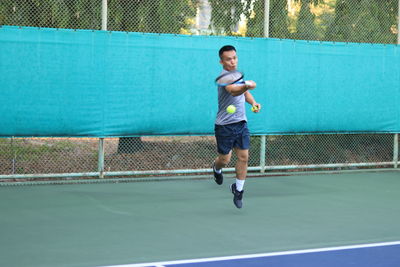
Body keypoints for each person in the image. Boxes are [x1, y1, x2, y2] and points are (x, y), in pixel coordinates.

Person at [212, 45, 261, 209]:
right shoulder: (224, 77)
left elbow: (244, 94)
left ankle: (238, 190)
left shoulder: (238, 75)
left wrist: (253, 102)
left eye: (234, 57)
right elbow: (234, 91)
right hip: (224, 126)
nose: (232, 61)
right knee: (224, 159)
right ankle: (216, 168)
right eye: (228, 59)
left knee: (244, 157)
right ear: (221, 61)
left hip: (241, 123)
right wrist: (247, 85)